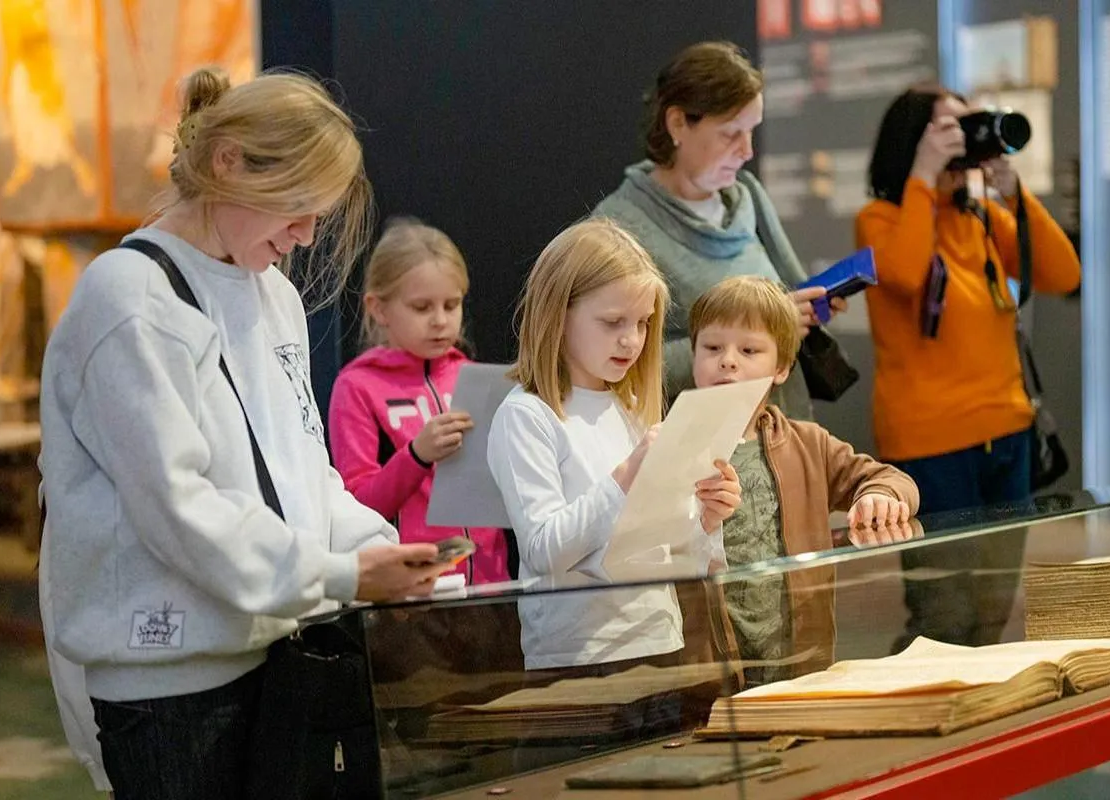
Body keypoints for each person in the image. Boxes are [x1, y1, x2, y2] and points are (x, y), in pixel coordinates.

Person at [37, 68, 452, 799]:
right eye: (294, 208)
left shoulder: (275, 297)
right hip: (168, 684)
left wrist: (384, 552)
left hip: (275, 652)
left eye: (318, 215)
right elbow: (179, 508)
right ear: (226, 162)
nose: (304, 236)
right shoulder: (129, 297)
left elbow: (303, 475)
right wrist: (343, 577)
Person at [857, 84, 1081, 647]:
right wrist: (923, 176)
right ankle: (922, 726)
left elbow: (1063, 274)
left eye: (967, 126)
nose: (964, 139)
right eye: (947, 129)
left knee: (993, 607)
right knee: (942, 614)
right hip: (931, 448)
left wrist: (1015, 196)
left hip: (1007, 436)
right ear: (915, 141)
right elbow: (908, 274)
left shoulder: (978, 219)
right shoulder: (881, 219)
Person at [486, 218, 742, 672]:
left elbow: (664, 546)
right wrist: (625, 476)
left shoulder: (631, 406)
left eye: (643, 323)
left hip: (659, 638)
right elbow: (544, 550)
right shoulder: (527, 415)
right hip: (578, 655)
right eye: (612, 322)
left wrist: (706, 517)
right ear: (558, 314)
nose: (632, 340)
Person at [594, 41, 845, 420]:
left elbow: (791, 289)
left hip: (782, 428)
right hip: (701, 452)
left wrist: (812, 307)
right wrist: (758, 332)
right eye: (731, 134)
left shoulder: (746, 195)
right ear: (678, 123)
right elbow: (610, 364)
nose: (747, 151)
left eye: (751, 132)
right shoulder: (619, 227)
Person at [690, 276, 920, 683]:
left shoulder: (809, 443)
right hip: (707, 671)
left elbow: (889, 478)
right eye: (712, 348)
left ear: (781, 367)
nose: (727, 360)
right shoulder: (668, 445)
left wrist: (880, 496)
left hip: (800, 664)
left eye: (748, 350)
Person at [328, 218, 510, 585]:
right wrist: (416, 455)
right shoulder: (357, 386)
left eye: (452, 304)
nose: (441, 321)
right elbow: (357, 508)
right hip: (414, 596)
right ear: (379, 309)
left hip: (493, 587)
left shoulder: (475, 377)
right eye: (422, 307)